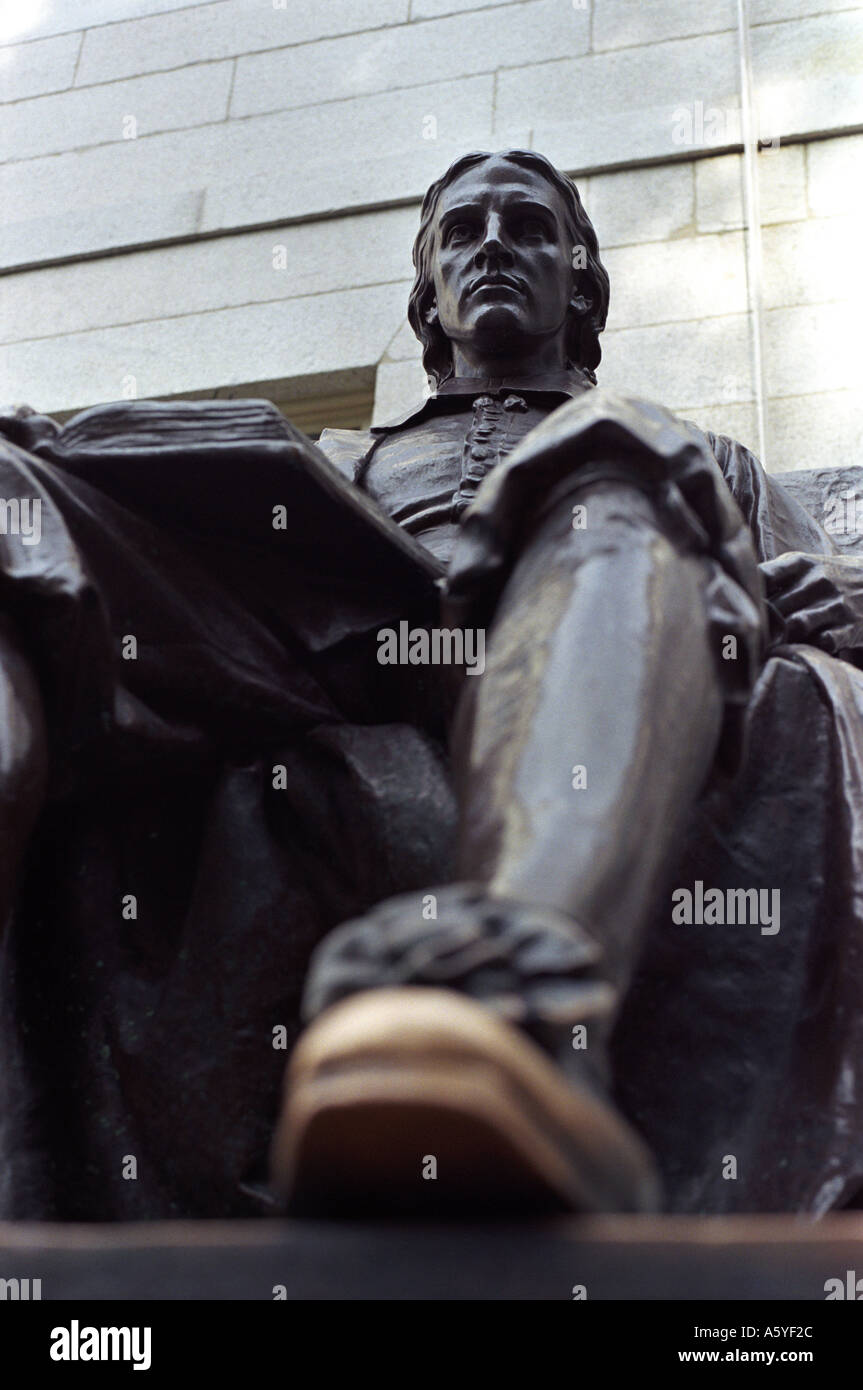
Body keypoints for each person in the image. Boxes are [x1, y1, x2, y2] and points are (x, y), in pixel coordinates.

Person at [2, 150, 863, 1222]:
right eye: (461, 231)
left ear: (580, 284)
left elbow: (806, 611)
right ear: (430, 297)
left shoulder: (699, 460)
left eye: (528, 226)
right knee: (15, 503)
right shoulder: (344, 455)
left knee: (622, 456)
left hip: (561, 659)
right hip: (318, 664)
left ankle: (511, 1010)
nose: (492, 242)